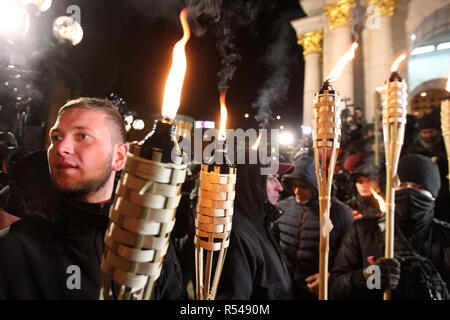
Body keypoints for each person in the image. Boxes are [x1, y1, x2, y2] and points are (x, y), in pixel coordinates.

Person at [0, 97, 185, 299]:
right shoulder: (14, 248)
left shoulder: (148, 238)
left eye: (83, 136)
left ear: (120, 157)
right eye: (56, 137)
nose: (61, 148)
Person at [329, 154, 450, 300]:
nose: (408, 192)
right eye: (402, 185)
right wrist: (368, 276)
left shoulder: (445, 237)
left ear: (433, 196)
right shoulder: (363, 231)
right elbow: (335, 288)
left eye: (419, 187)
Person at [273, 155, 353, 299]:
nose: (297, 191)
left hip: (316, 289)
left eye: (303, 187)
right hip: (283, 287)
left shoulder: (339, 213)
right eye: (294, 185)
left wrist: (331, 276)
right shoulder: (282, 207)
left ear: (315, 186)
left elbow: (347, 255)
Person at [216, 153, 294, 299]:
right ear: (251, 183)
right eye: (271, 178)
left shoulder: (260, 224)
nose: (280, 187)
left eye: (278, 178)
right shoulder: (235, 236)